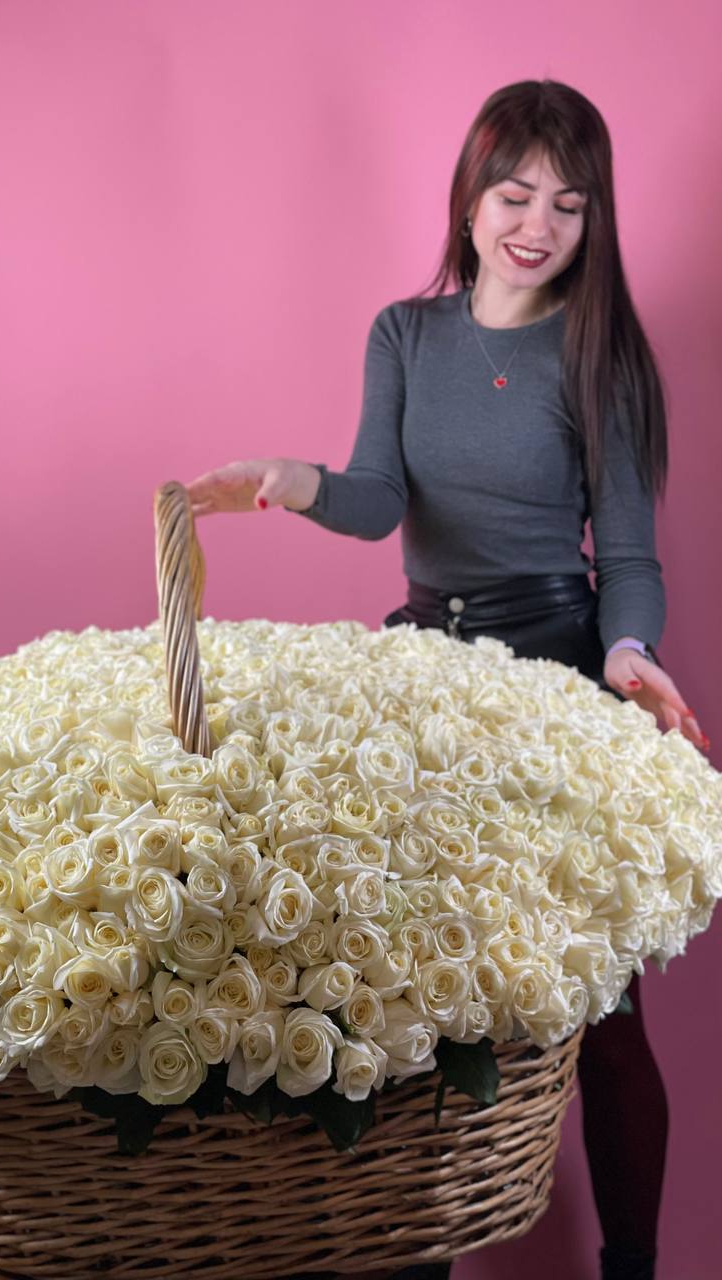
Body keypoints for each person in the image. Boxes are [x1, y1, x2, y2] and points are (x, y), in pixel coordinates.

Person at [186, 80, 709, 1280]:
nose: (538, 224)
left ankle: (632, 1263)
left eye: (569, 204)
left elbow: (628, 559)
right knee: (411, 997)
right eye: (515, 195)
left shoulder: (601, 356)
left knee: (602, 1012)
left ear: (594, 220)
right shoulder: (404, 334)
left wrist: (627, 653)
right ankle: (409, 1250)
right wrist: (291, 480)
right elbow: (378, 501)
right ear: (470, 201)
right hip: (429, 675)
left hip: (557, 669)